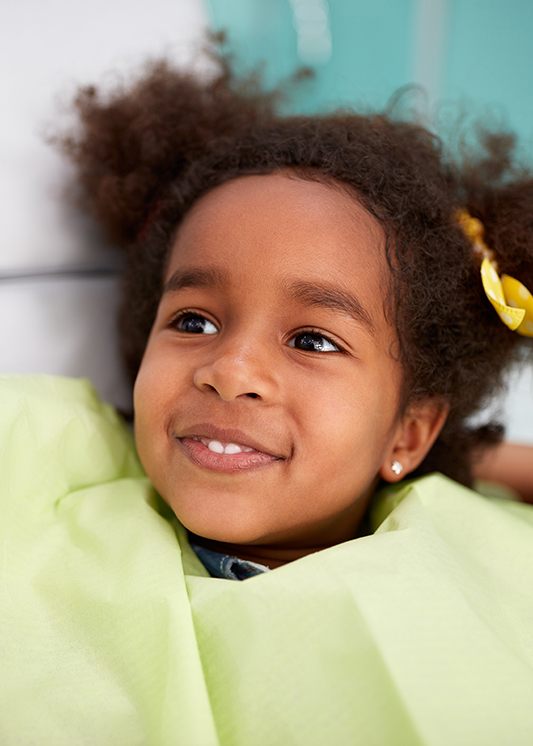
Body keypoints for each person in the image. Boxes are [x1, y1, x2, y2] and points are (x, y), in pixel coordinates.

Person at [2, 47, 533, 745]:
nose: (230, 370)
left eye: (312, 340)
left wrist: (474, 461)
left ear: (408, 432)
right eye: (193, 321)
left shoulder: (472, 556)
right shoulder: (56, 459)